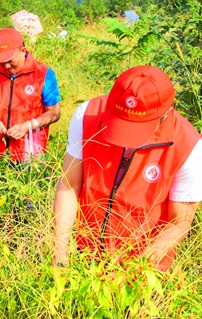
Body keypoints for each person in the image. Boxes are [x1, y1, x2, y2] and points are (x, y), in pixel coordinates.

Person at [53, 66, 202, 272]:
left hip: (144, 267)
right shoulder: (88, 115)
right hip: (86, 253)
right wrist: (60, 251)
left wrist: (141, 267)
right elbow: (70, 184)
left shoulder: (189, 146)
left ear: (167, 113)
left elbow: (180, 221)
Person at [0, 28, 61, 162]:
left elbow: (54, 112)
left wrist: (27, 126)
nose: (6, 66)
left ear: (23, 51)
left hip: (30, 153)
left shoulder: (43, 74)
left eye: (9, 60)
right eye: (1, 61)